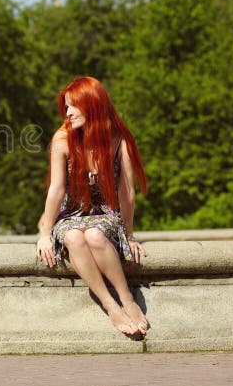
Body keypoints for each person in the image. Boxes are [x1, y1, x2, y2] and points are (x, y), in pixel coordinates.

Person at [36, 76, 149, 336]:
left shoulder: (118, 138)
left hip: (104, 212)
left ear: (92, 104)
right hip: (71, 213)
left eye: (73, 106)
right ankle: (112, 307)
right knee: (75, 237)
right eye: (65, 107)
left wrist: (129, 236)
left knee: (96, 235)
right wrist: (45, 235)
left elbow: (127, 192)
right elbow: (57, 189)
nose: (67, 113)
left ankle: (127, 299)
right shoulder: (63, 138)